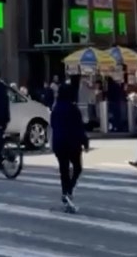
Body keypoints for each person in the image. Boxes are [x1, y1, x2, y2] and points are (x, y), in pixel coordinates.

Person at [51, 84, 89, 214]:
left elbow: (53, 125)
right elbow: (79, 128)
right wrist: (85, 142)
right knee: (77, 168)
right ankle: (69, 190)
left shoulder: (56, 109)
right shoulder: (74, 109)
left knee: (64, 170)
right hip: (72, 143)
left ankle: (65, 193)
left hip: (59, 143)